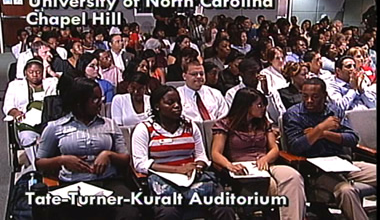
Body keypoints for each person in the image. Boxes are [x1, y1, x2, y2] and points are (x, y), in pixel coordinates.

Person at [36, 77, 141, 220]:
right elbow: (39, 163)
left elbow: (125, 158)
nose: (101, 103)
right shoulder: (55, 127)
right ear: (79, 103)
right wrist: (62, 160)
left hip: (108, 181)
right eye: (95, 99)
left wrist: (108, 155)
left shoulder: (109, 124)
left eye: (101, 98)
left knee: (129, 213)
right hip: (72, 183)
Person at [132, 85, 236, 220]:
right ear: (157, 106)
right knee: (168, 212)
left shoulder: (190, 126)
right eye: (170, 103)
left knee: (224, 206)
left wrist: (197, 167)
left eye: (178, 102)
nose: (177, 106)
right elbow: (140, 164)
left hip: (192, 177)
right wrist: (177, 169)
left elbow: (201, 156)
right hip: (163, 180)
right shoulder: (144, 129)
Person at [283, 77, 376, 220]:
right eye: (305, 96)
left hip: (345, 163)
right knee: (347, 191)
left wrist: (324, 134)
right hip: (316, 171)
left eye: (314, 97)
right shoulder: (293, 115)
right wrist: (321, 128)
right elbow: (296, 147)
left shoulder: (334, 110)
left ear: (324, 96)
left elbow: (352, 138)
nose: (309, 101)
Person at [212, 87, 306, 220]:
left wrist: (266, 158)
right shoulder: (224, 124)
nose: (263, 109)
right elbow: (215, 153)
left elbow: (274, 149)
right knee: (272, 185)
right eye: (259, 105)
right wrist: (229, 166)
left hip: (266, 165)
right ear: (246, 106)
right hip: (240, 168)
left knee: (293, 177)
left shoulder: (263, 123)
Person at [3, 57, 58, 164]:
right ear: (25, 73)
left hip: (48, 121)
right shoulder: (15, 86)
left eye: (38, 72)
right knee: (27, 137)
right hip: (27, 121)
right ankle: (36, 166)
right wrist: (15, 112)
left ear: (43, 73)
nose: (34, 75)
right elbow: (8, 105)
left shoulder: (51, 83)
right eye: (31, 72)